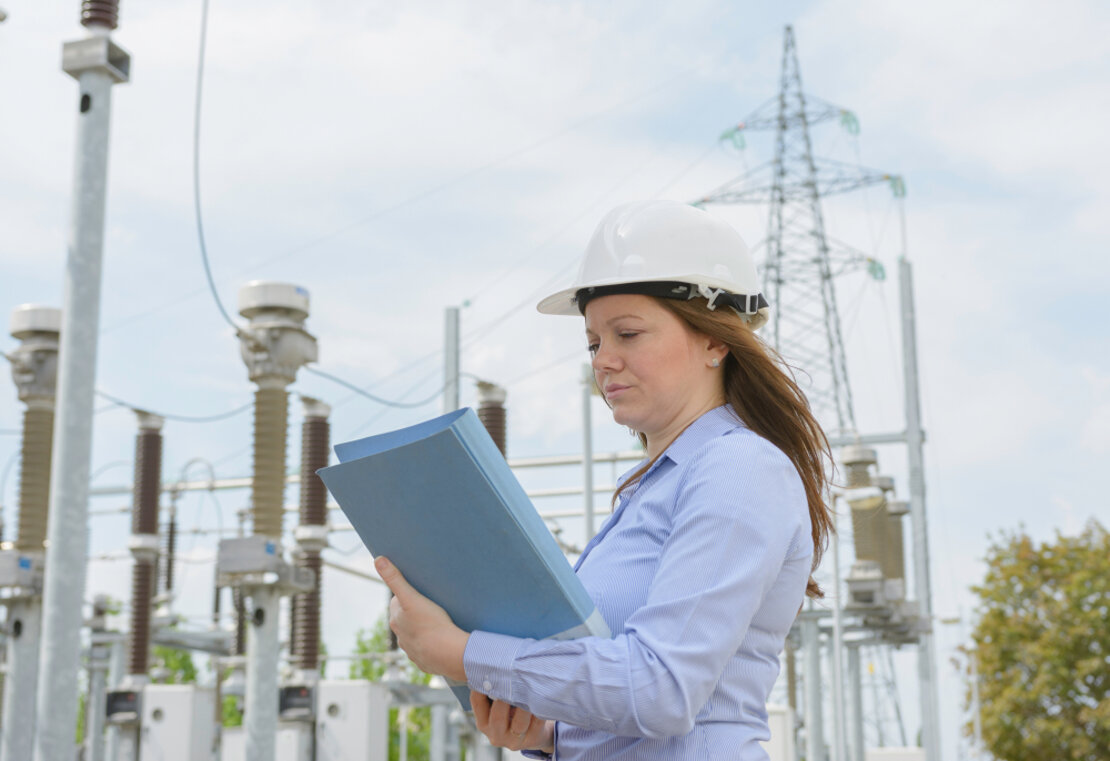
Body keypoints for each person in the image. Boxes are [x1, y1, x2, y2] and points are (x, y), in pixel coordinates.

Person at [376, 199, 834, 760]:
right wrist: (549, 734)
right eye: (595, 342)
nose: (603, 361)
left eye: (629, 334)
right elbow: (637, 707)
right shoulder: (655, 488)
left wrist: (465, 653)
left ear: (717, 339)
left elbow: (661, 690)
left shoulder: (739, 468)